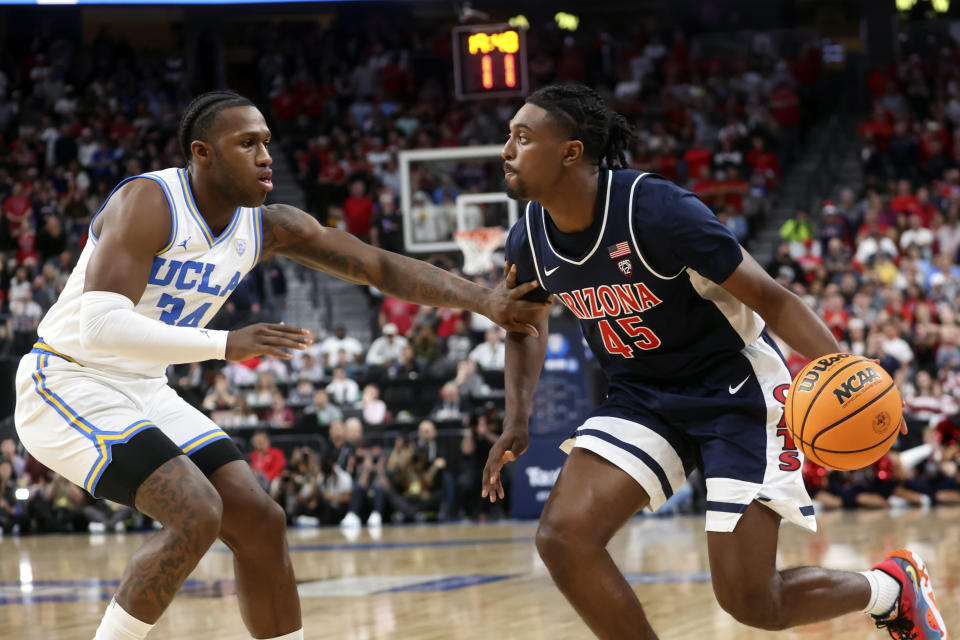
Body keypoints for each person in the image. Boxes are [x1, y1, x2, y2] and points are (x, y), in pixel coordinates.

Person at [13, 90, 547, 640]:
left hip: (144, 387)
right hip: (68, 379)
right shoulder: (150, 201)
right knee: (196, 513)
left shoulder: (267, 226)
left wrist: (485, 302)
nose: (266, 155)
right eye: (247, 144)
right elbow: (99, 327)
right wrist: (227, 344)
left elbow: (378, 266)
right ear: (202, 153)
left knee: (261, 523)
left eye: (267, 142)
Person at [482, 84, 947, 639]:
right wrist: (517, 415)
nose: (506, 150)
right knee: (562, 537)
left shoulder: (656, 210)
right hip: (641, 397)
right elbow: (524, 324)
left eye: (523, 137)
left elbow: (772, 298)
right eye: (508, 137)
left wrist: (847, 376)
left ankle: (892, 589)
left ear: (571, 152)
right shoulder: (528, 238)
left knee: (752, 601)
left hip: (733, 387)